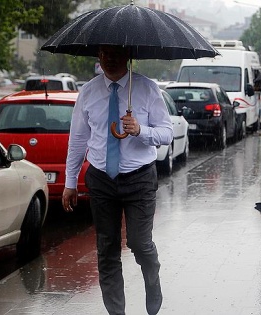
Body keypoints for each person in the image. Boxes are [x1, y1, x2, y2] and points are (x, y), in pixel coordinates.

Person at [62, 45, 173, 315]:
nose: (109, 60)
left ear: (127, 56)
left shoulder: (146, 89)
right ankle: (116, 311)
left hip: (139, 179)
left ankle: (152, 279)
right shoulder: (88, 91)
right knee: (107, 247)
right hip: (101, 178)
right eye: (104, 54)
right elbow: (78, 139)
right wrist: (70, 181)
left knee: (139, 242)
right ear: (98, 56)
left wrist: (141, 130)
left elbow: (167, 133)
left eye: (115, 54)